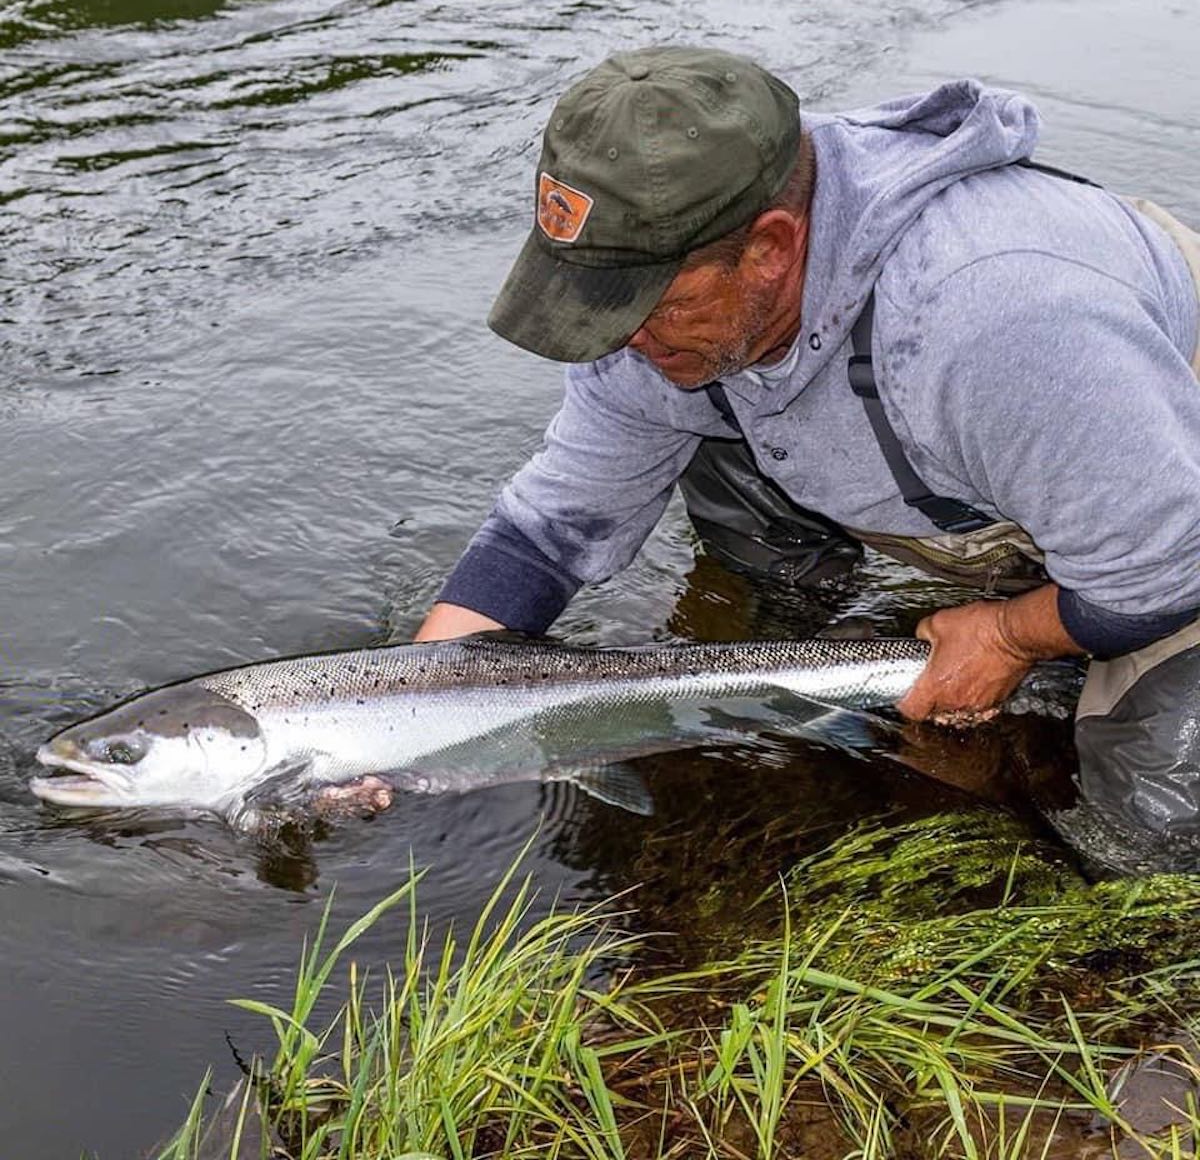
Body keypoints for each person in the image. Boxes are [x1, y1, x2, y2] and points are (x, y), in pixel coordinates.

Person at [414, 46, 1200, 841]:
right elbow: (549, 532)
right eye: (597, 301)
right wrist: (409, 715)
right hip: (1005, 440)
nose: (620, 338)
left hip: (1162, 473)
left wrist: (1007, 633)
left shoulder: (993, 317)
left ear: (771, 249)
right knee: (691, 392)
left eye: (650, 305)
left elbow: (1167, 570)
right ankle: (804, 632)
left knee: (1158, 818)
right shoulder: (674, 288)